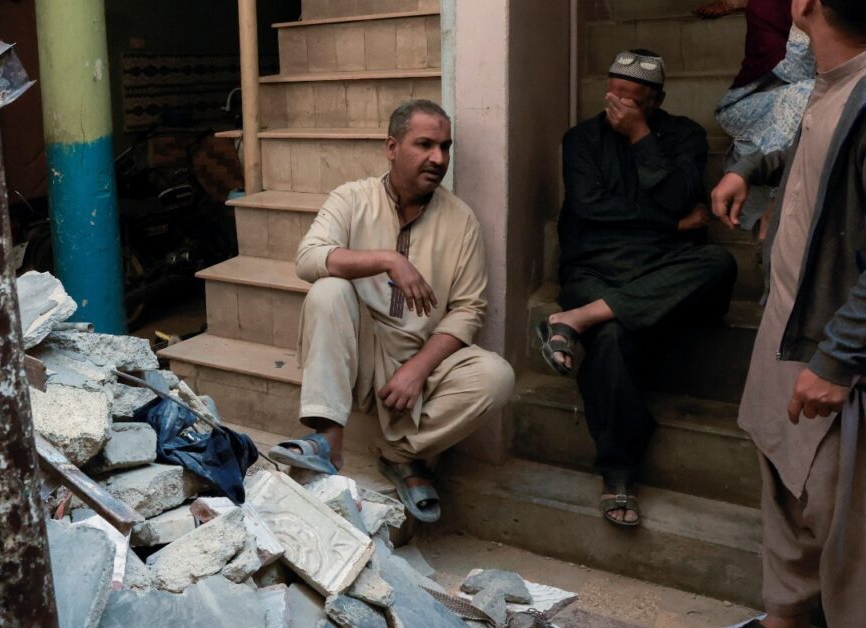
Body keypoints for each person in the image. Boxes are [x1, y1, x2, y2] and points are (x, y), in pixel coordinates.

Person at [266, 99, 514, 524]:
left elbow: (468, 310)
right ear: (392, 147)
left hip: (424, 360)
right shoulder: (351, 198)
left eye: (445, 147)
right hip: (361, 350)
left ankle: (399, 454)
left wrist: (418, 368)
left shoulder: (461, 221)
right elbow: (308, 259)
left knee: (497, 376)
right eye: (425, 145)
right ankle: (328, 438)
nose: (438, 158)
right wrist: (388, 259)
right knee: (328, 290)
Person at [709, 1, 866, 628]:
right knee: (781, 474)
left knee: (841, 508)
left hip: (832, 347)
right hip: (788, 328)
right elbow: (809, 152)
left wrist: (839, 358)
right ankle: (784, 622)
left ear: (809, 5)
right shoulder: (830, 85)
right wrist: (748, 167)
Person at [542, 50, 737, 528]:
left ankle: (579, 318)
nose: (620, 106)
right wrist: (673, 223)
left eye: (633, 100)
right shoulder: (581, 140)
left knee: (718, 262)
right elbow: (592, 209)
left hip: (666, 268)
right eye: (614, 95)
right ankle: (619, 472)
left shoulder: (684, 135)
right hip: (598, 267)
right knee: (611, 338)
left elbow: (680, 194)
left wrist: (639, 137)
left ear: (656, 101)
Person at [715, 0, 816, 234]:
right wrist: (802, 25)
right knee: (809, 93)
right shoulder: (766, 6)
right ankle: (775, 209)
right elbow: (796, 72)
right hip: (747, 104)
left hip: (801, 100)